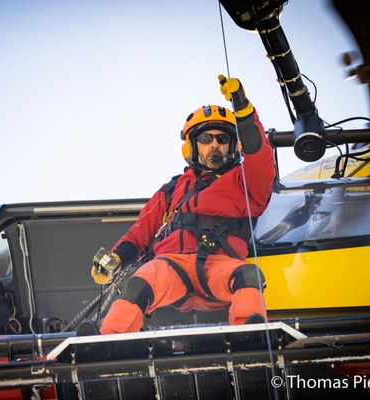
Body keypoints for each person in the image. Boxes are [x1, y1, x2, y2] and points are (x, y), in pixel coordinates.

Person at [90, 75, 275, 334]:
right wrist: (115, 258)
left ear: (233, 146)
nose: (215, 145)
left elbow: (259, 154)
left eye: (222, 139)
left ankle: (251, 335)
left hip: (219, 265)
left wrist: (244, 111)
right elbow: (141, 231)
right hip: (172, 265)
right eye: (207, 138)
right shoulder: (172, 190)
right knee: (139, 282)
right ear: (192, 146)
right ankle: (108, 341)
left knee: (248, 275)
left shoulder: (246, 183)